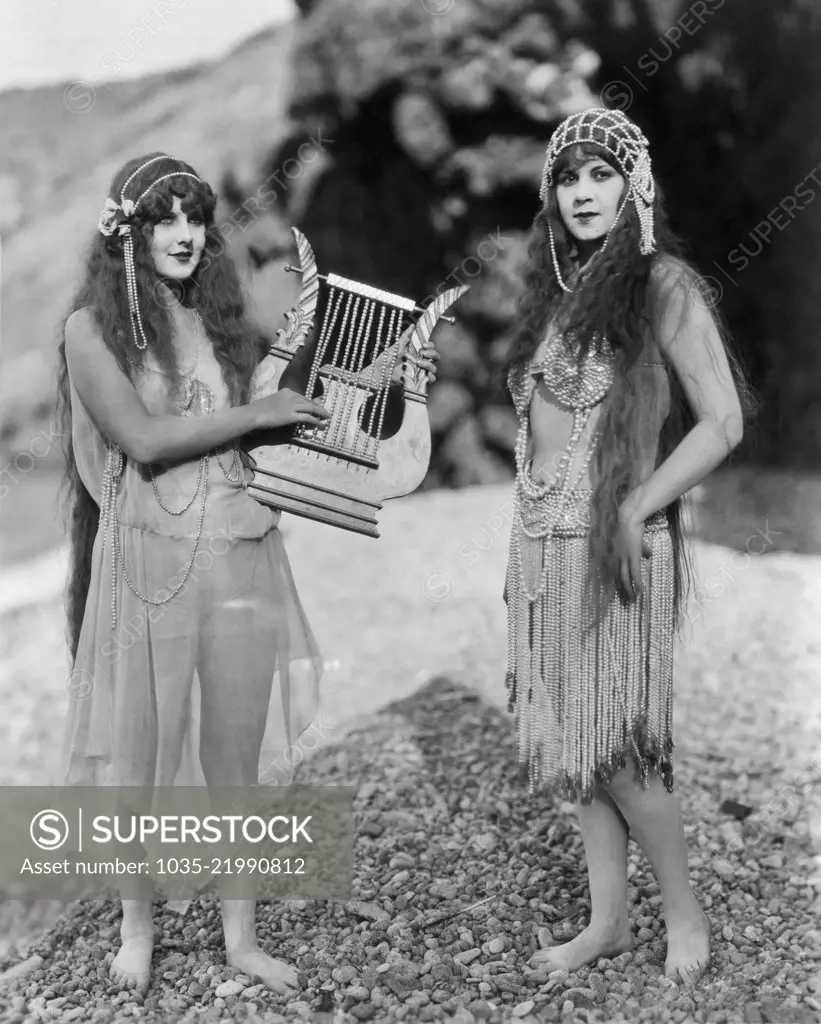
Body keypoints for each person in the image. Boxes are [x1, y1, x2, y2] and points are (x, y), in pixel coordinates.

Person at [56, 153, 437, 995]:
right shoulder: (91, 330)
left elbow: (276, 427)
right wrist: (257, 411)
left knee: (233, 750)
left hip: (239, 550)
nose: (187, 235)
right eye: (165, 219)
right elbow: (144, 441)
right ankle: (137, 930)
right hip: (148, 562)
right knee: (141, 759)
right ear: (129, 232)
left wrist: (389, 384)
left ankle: (239, 936)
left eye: (197, 218)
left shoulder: (223, 327)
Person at [502, 109, 753, 985]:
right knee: (577, 752)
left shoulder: (663, 284)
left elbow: (721, 419)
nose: (580, 192)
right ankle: (606, 922)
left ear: (633, 186)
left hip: (610, 544)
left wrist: (634, 506)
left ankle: (684, 916)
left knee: (619, 749)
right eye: (566, 178)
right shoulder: (559, 295)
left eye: (598, 175)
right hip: (538, 543)